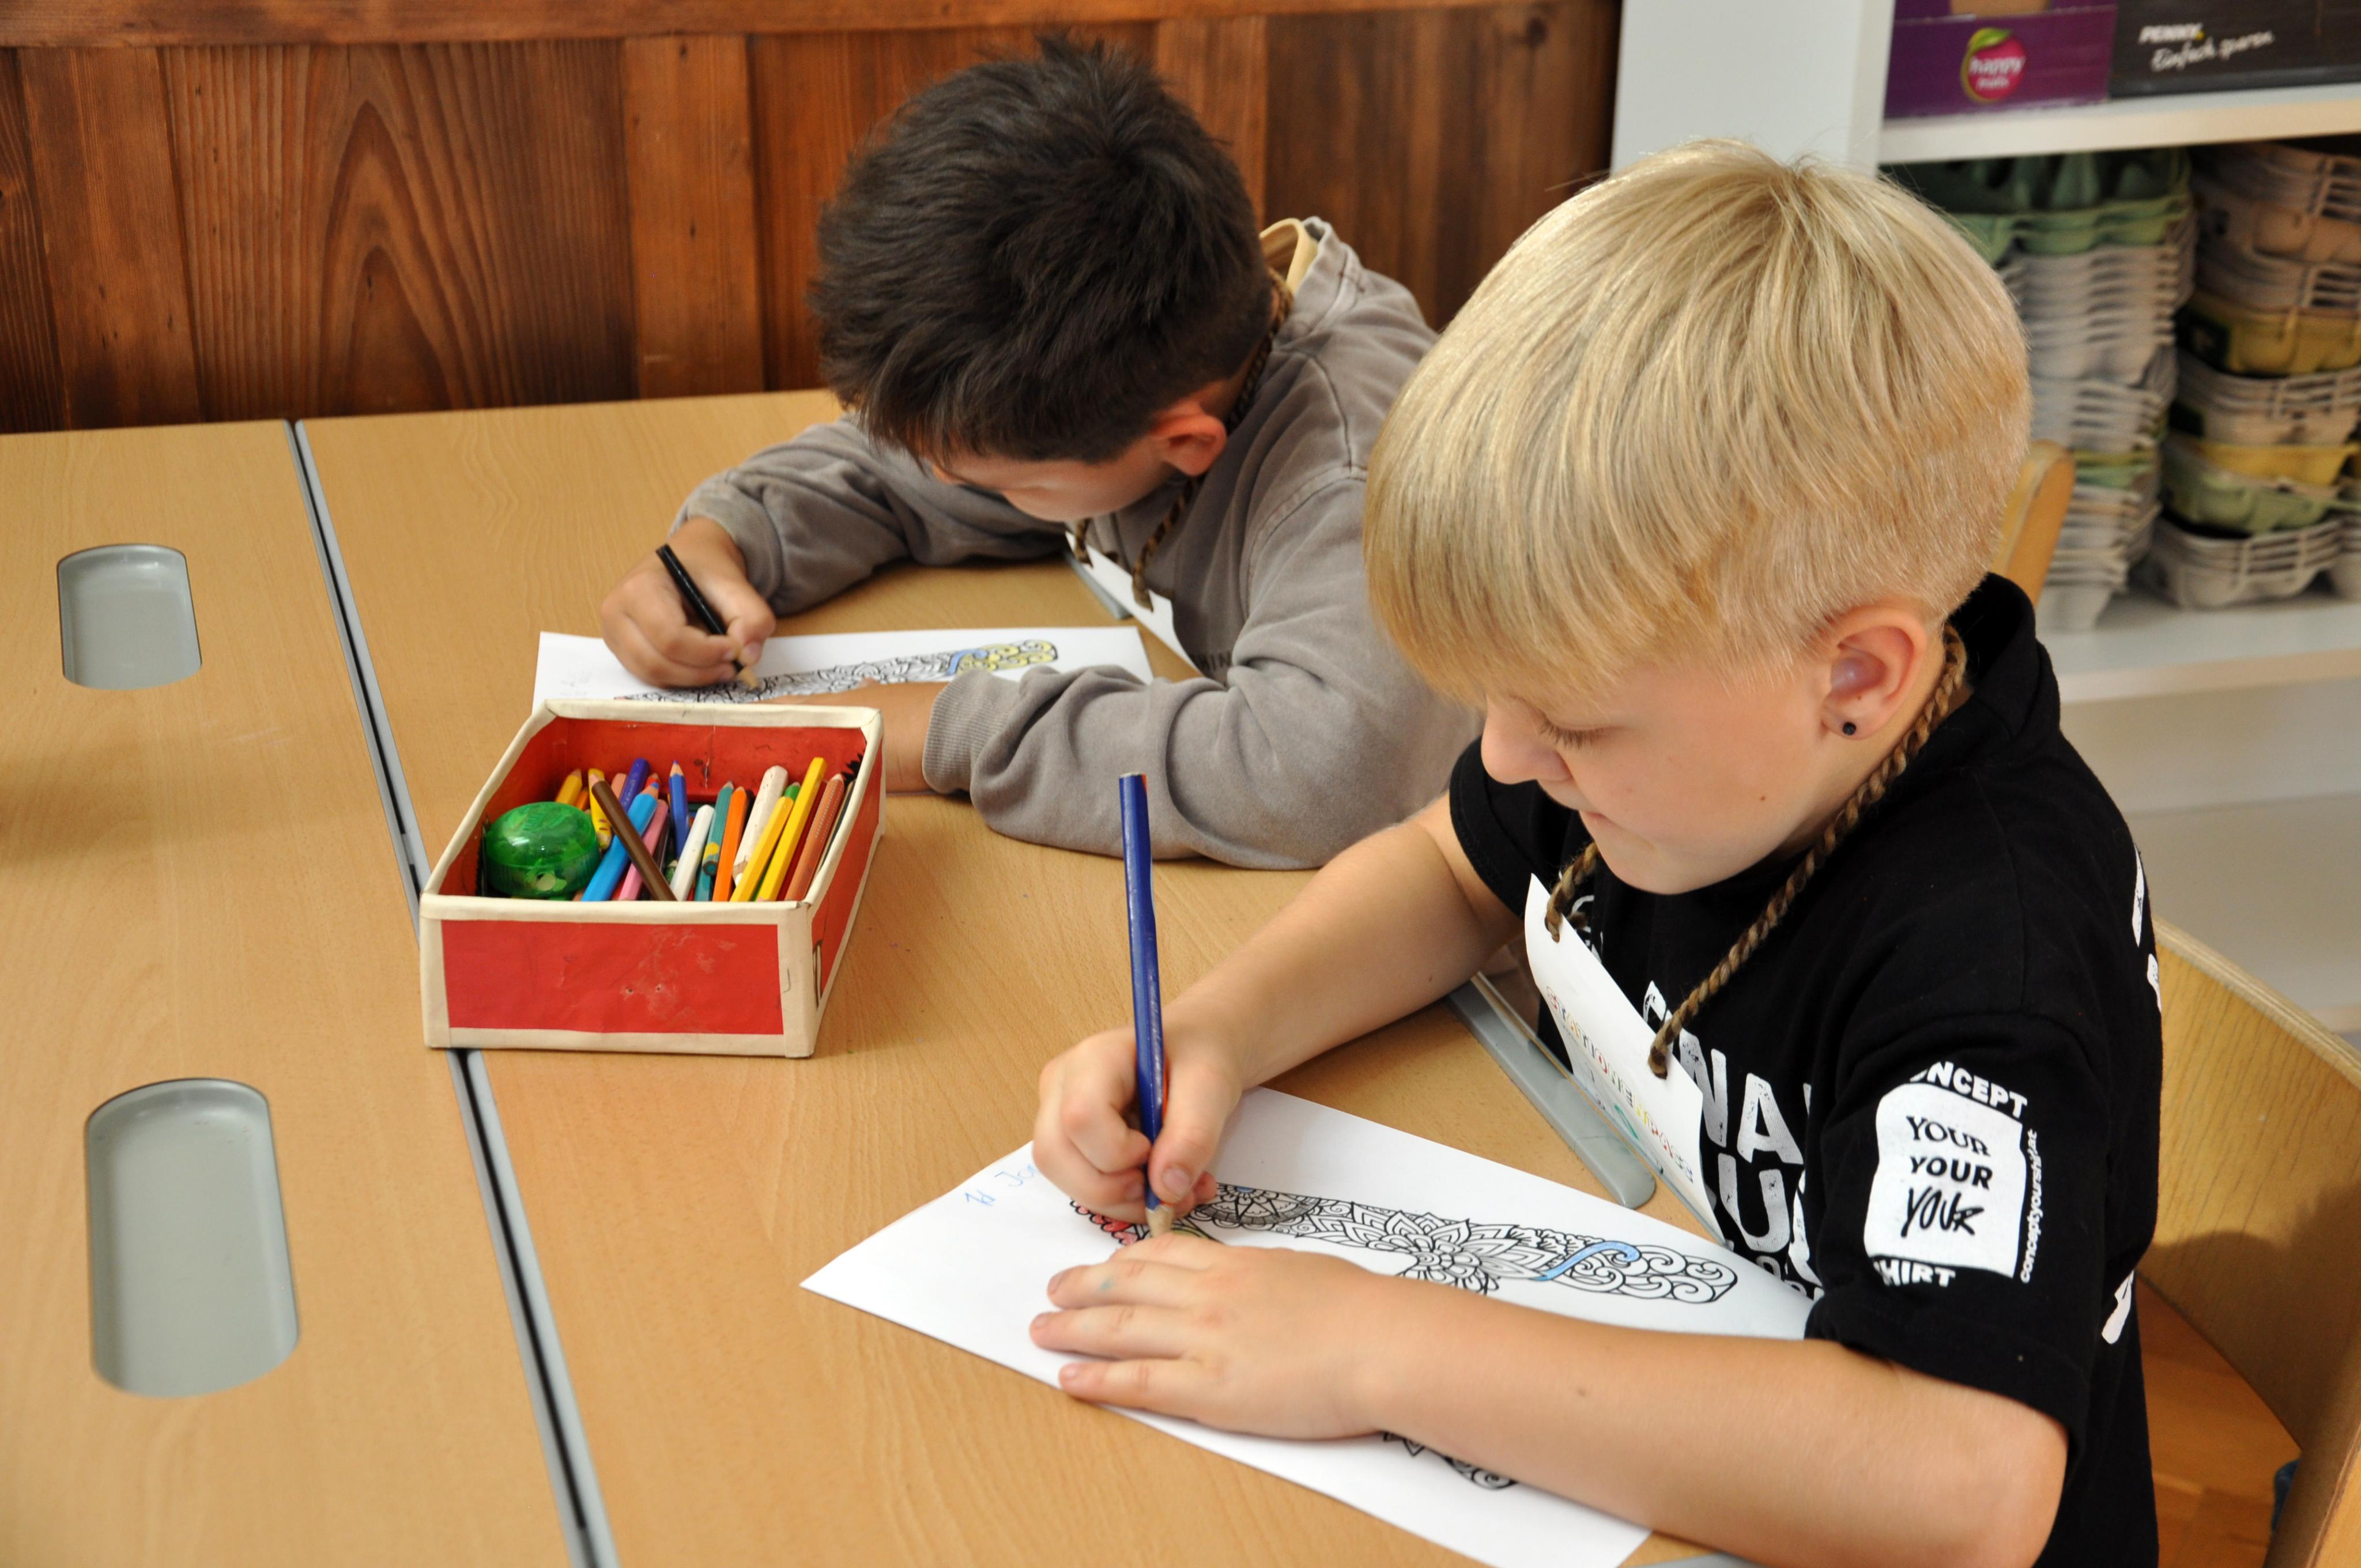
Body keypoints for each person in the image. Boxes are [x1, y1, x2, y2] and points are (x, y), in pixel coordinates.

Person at [1028, 141, 2162, 1568]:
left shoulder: (1991, 948)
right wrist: (1218, 1030)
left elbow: (1963, 1482)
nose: (1506, 758)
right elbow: (1451, 869)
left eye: (1562, 721)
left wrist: (1374, 1348)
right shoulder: (1676, 744)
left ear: (1855, 676)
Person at [598, 36, 1473, 868]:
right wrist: (725, 538)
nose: (941, 481)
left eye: (1001, 481)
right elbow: (910, 465)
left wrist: (940, 729)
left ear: (1183, 443)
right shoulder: (1138, 366)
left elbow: (1320, 775)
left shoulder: (1357, 485)